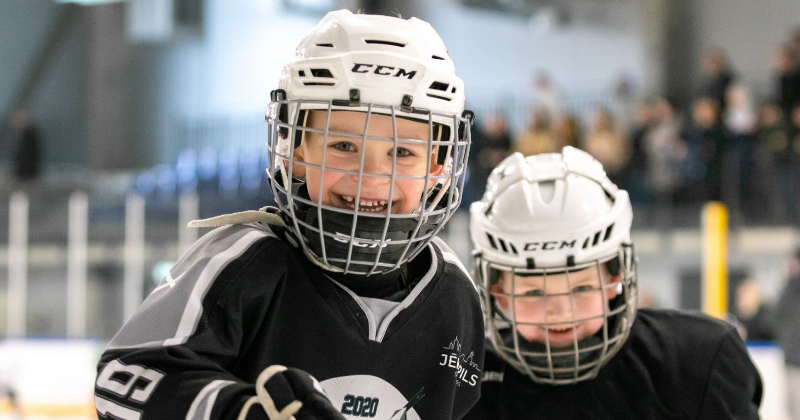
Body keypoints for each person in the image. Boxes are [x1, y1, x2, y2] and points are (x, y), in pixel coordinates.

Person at [94, 10, 484, 420]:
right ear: (295, 150)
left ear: (438, 167)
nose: (371, 177)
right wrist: (241, 413)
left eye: (402, 153)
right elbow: (121, 380)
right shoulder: (245, 264)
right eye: (343, 146)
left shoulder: (455, 298)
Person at [464, 147, 762, 419]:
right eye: (533, 292)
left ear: (615, 279)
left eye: (581, 288)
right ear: (498, 293)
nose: (560, 311)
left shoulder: (696, 361)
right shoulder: (461, 385)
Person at [776, 248, 800, 420]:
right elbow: (776, 317)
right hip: (793, 361)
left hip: (794, 359)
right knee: (793, 411)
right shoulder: (790, 289)